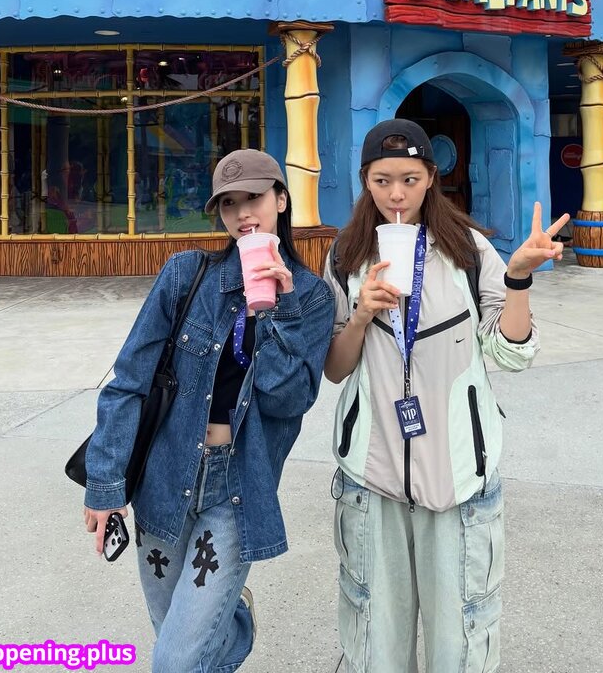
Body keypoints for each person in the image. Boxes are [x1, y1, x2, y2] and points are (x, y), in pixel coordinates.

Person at [323, 119, 569, 673]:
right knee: (375, 641)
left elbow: (511, 354)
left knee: (460, 641)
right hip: (372, 476)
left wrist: (518, 280)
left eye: (409, 179)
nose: (396, 194)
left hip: (458, 475)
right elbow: (336, 370)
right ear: (365, 182)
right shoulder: (346, 255)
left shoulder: (469, 250)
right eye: (382, 181)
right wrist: (361, 314)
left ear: (431, 178)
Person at [83, 149, 335, 672]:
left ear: (281, 200)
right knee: (177, 640)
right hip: (164, 476)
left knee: (175, 661)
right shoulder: (187, 276)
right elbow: (129, 381)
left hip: (236, 486)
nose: (243, 214)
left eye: (254, 199)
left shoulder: (312, 298)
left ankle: (229, 622)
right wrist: (105, 484)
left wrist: (280, 310)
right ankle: (229, 620)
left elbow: (288, 400)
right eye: (229, 204)